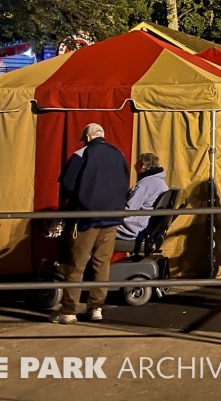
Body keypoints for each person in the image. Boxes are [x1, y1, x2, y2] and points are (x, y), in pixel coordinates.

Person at [54, 123, 129, 324]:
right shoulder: (119, 154)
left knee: (75, 264)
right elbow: (125, 182)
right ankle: (96, 308)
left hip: (85, 219)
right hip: (112, 218)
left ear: (87, 137)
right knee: (102, 264)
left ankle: (69, 311)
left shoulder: (82, 154)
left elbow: (68, 185)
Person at [116, 153, 169, 243]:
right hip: (145, 226)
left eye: (135, 165)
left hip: (134, 228)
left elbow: (128, 210)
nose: (134, 168)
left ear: (142, 166)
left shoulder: (145, 184)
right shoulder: (160, 182)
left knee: (98, 228)